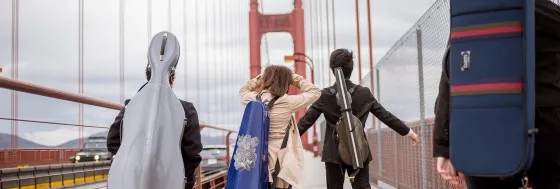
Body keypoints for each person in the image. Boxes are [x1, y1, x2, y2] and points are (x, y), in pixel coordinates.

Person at [433, 0, 560, 188]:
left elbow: (452, 75)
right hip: (547, 125)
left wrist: (445, 145)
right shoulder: (546, 13)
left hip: (480, 127)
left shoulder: (468, 13)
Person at [297, 48, 420, 189]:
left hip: (333, 153)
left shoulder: (325, 95)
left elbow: (306, 122)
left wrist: (285, 142)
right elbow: (385, 116)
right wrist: (409, 132)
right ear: (351, 69)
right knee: (362, 186)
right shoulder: (363, 93)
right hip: (358, 149)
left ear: (332, 69)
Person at [107, 64, 203, 189]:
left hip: (132, 182)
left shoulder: (131, 106)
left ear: (148, 77)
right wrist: (183, 178)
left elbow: (113, 141)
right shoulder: (186, 110)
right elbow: (193, 153)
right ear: (171, 79)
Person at [239, 65, 321, 189]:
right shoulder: (288, 102)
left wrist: (260, 78)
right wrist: (294, 78)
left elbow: (243, 90)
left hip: (257, 160)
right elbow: (315, 92)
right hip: (281, 161)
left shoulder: (253, 100)